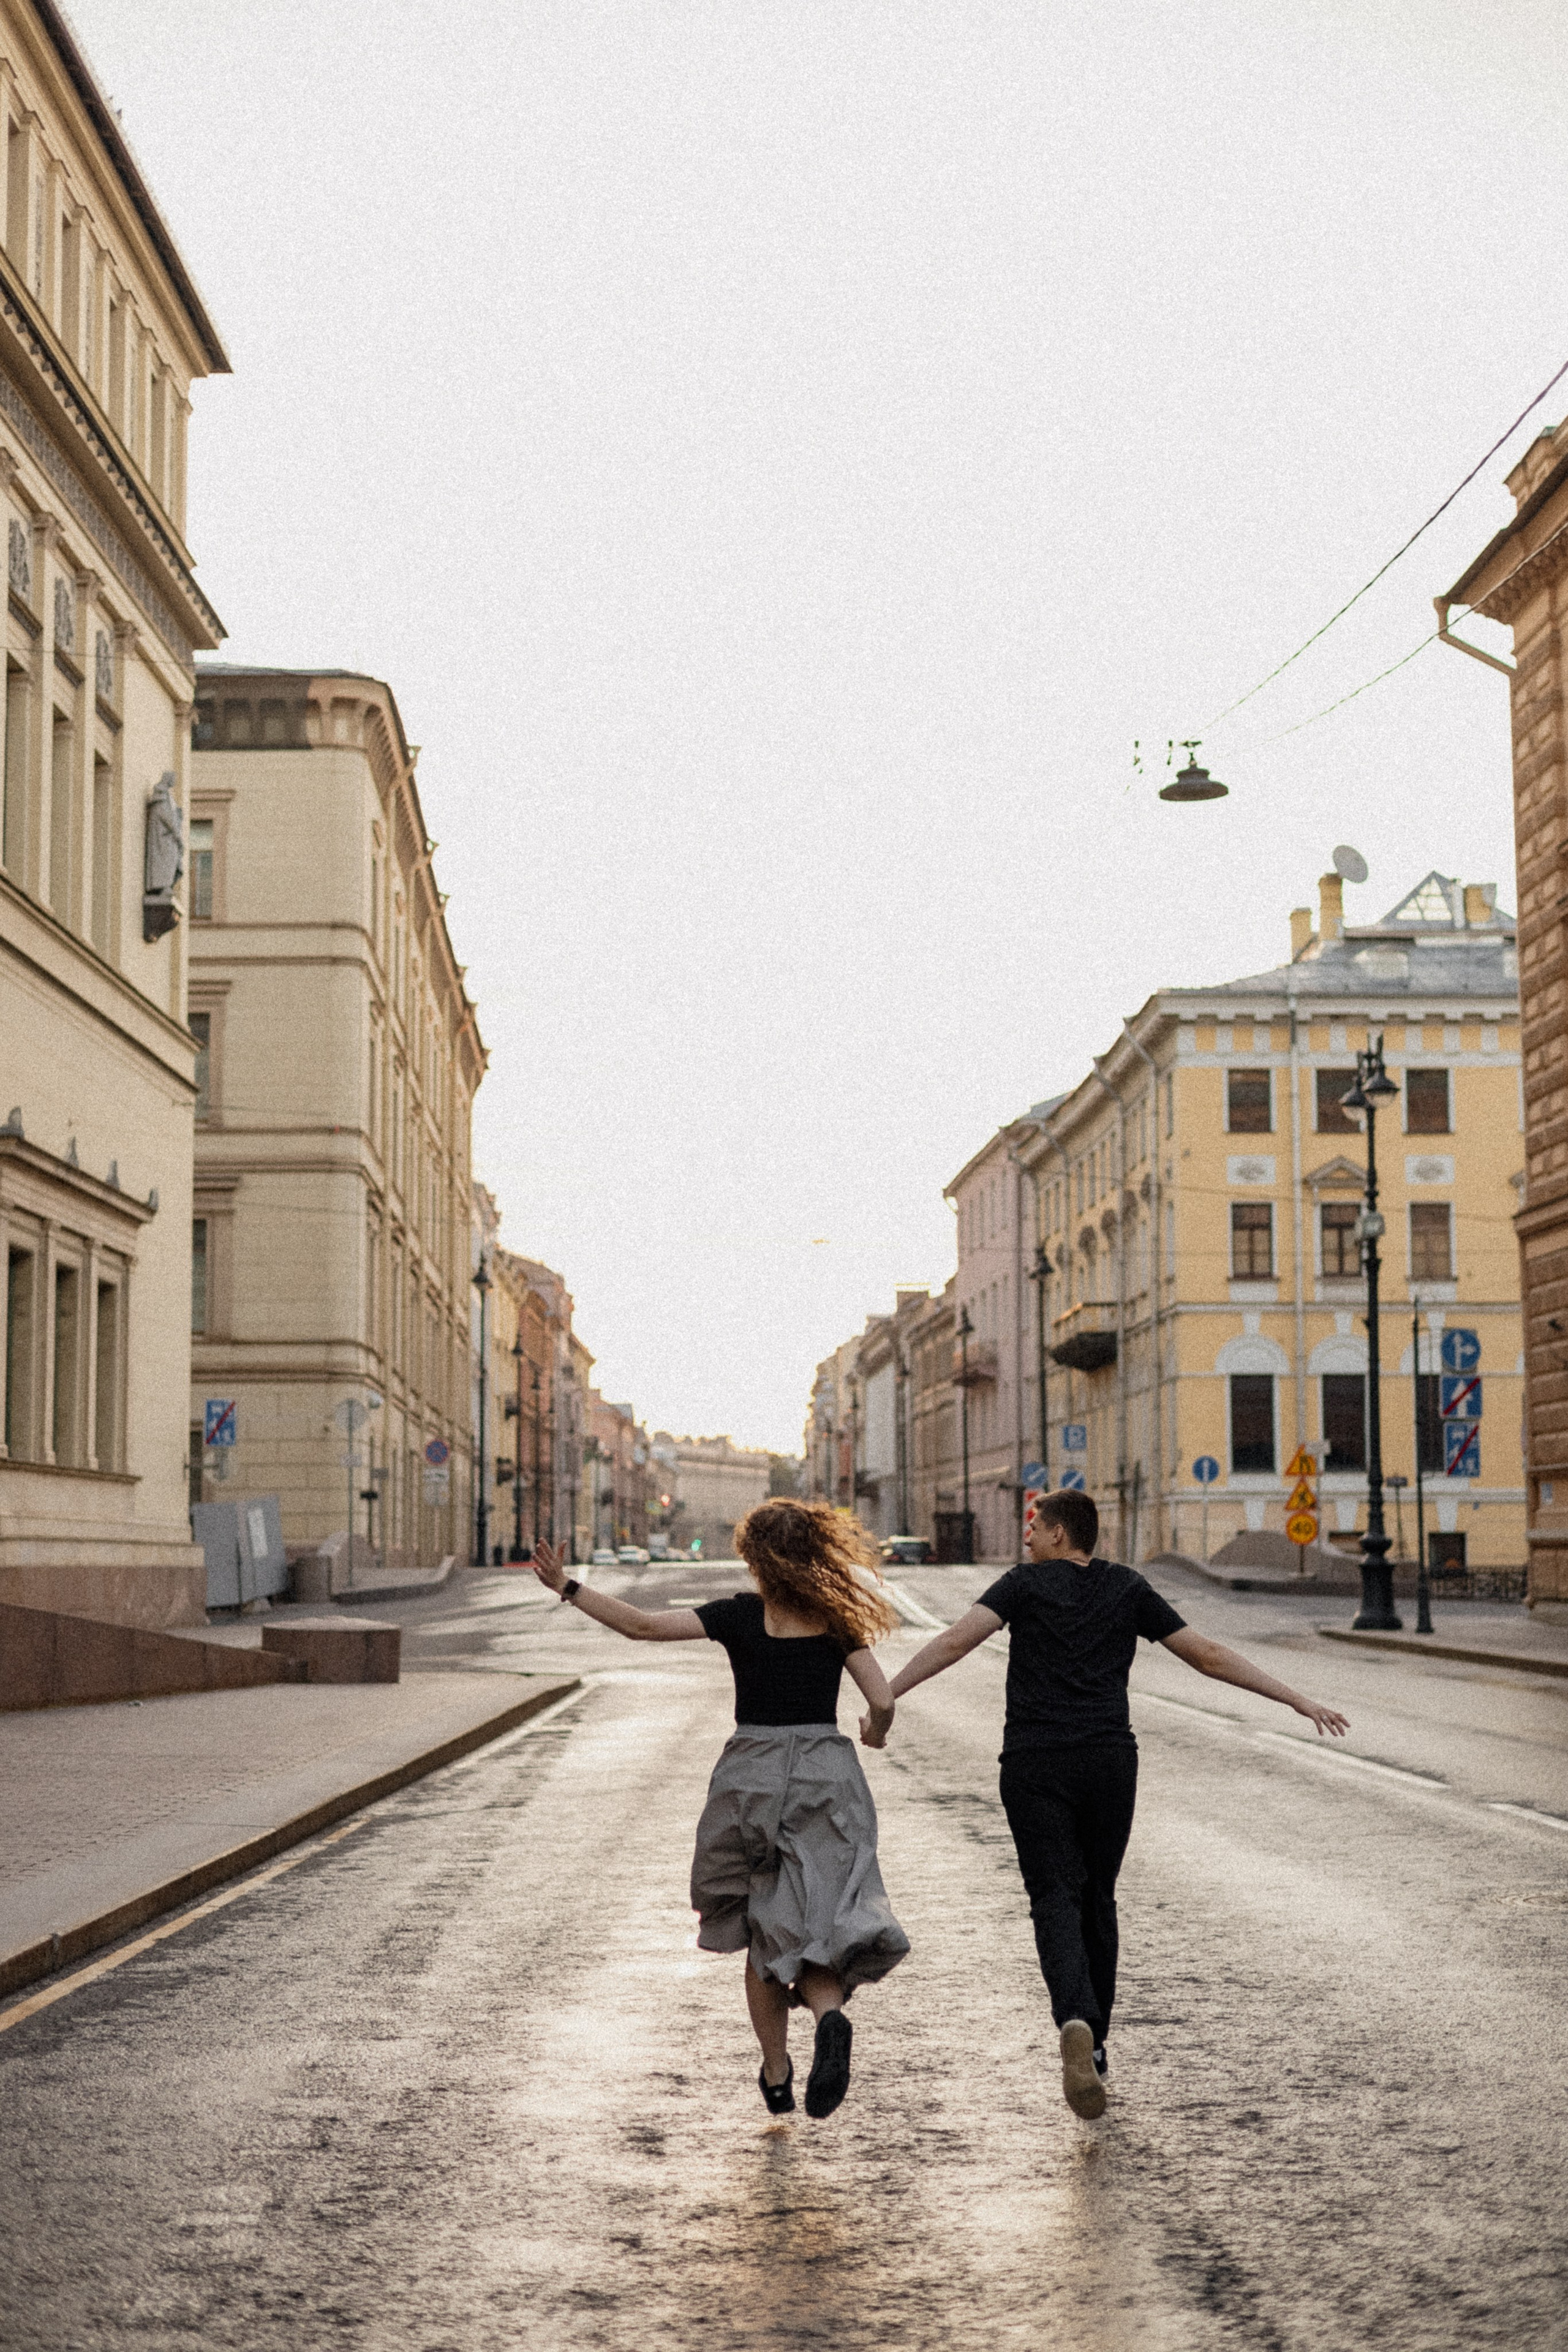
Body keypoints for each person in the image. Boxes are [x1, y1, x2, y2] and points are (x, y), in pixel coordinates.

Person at [888, 1487, 1349, 2120]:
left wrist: (887, 1693)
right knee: (1097, 1896)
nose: (1026, 1538)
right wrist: (1296, 1699)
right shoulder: (1126, 1588)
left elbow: (952, 1643)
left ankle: (1074, 2018)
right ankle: (1096, 2044)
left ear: (1058, 1534)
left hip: (1034, 1762)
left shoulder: (1021, 1586)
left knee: (1054, 1894)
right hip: (1109, 1762)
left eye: (1034, 1528)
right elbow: (1205, 1655)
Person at [530, 1496, 910, 2119]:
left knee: (763, 1921)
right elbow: (880, 1696)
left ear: (755, 1558)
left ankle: (777, 2071)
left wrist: (568, 1586)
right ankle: (829, 2015)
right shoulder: (836, 1619)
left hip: (752, 1775)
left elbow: (642, 1626)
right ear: (814, 1553)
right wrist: (876, 1731)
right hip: (825, 1773)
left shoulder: (740, 1616)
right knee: (819, 1920)